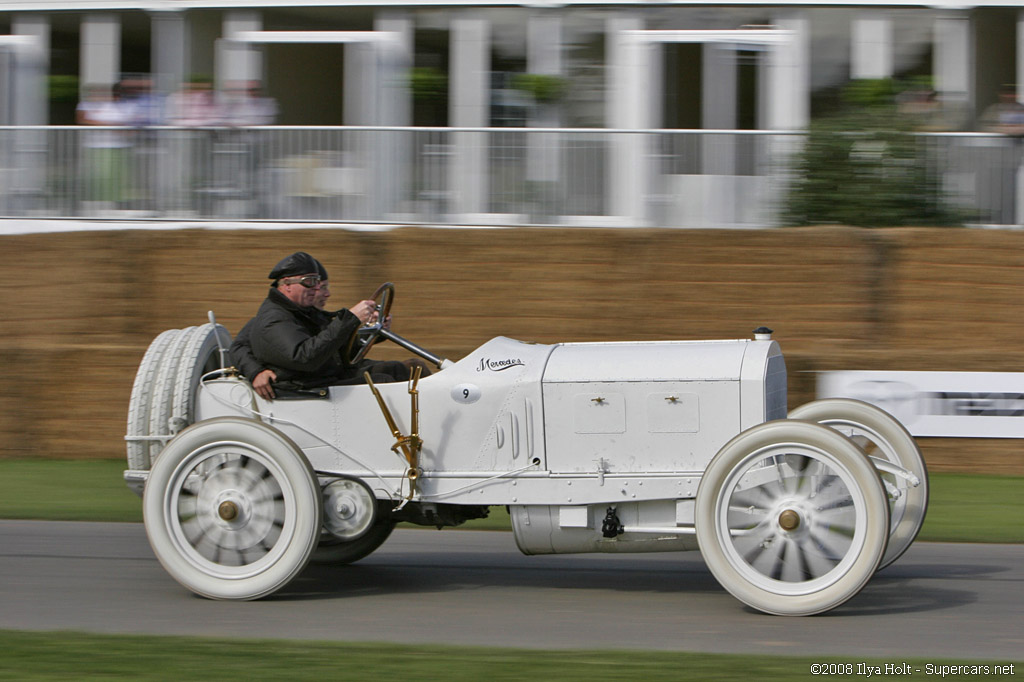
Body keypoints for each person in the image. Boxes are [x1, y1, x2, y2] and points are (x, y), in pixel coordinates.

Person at [230, 252, 413, 400]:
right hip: (308, 386)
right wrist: (255, 372)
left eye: (319, 284)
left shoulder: (303, 312)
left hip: (323, 375)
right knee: (385, 382)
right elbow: (304, 356)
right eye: (310, 283)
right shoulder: (274, 318)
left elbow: (334, 347)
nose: (320, 292)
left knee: (404, 368)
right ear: (286, 285)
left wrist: (372, 332)